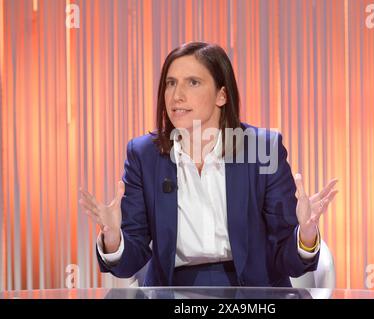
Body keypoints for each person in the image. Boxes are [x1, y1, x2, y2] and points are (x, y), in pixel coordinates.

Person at [79, 42, 338, 287]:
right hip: (172, 289)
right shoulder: (144, 154)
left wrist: (305, 234)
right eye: (171, 83)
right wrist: (113, 238)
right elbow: (129, 262)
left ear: (222, 95)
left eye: (193, 82)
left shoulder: (262, 149)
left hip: (252, 291)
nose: (177, 95)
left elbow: (288, 260)